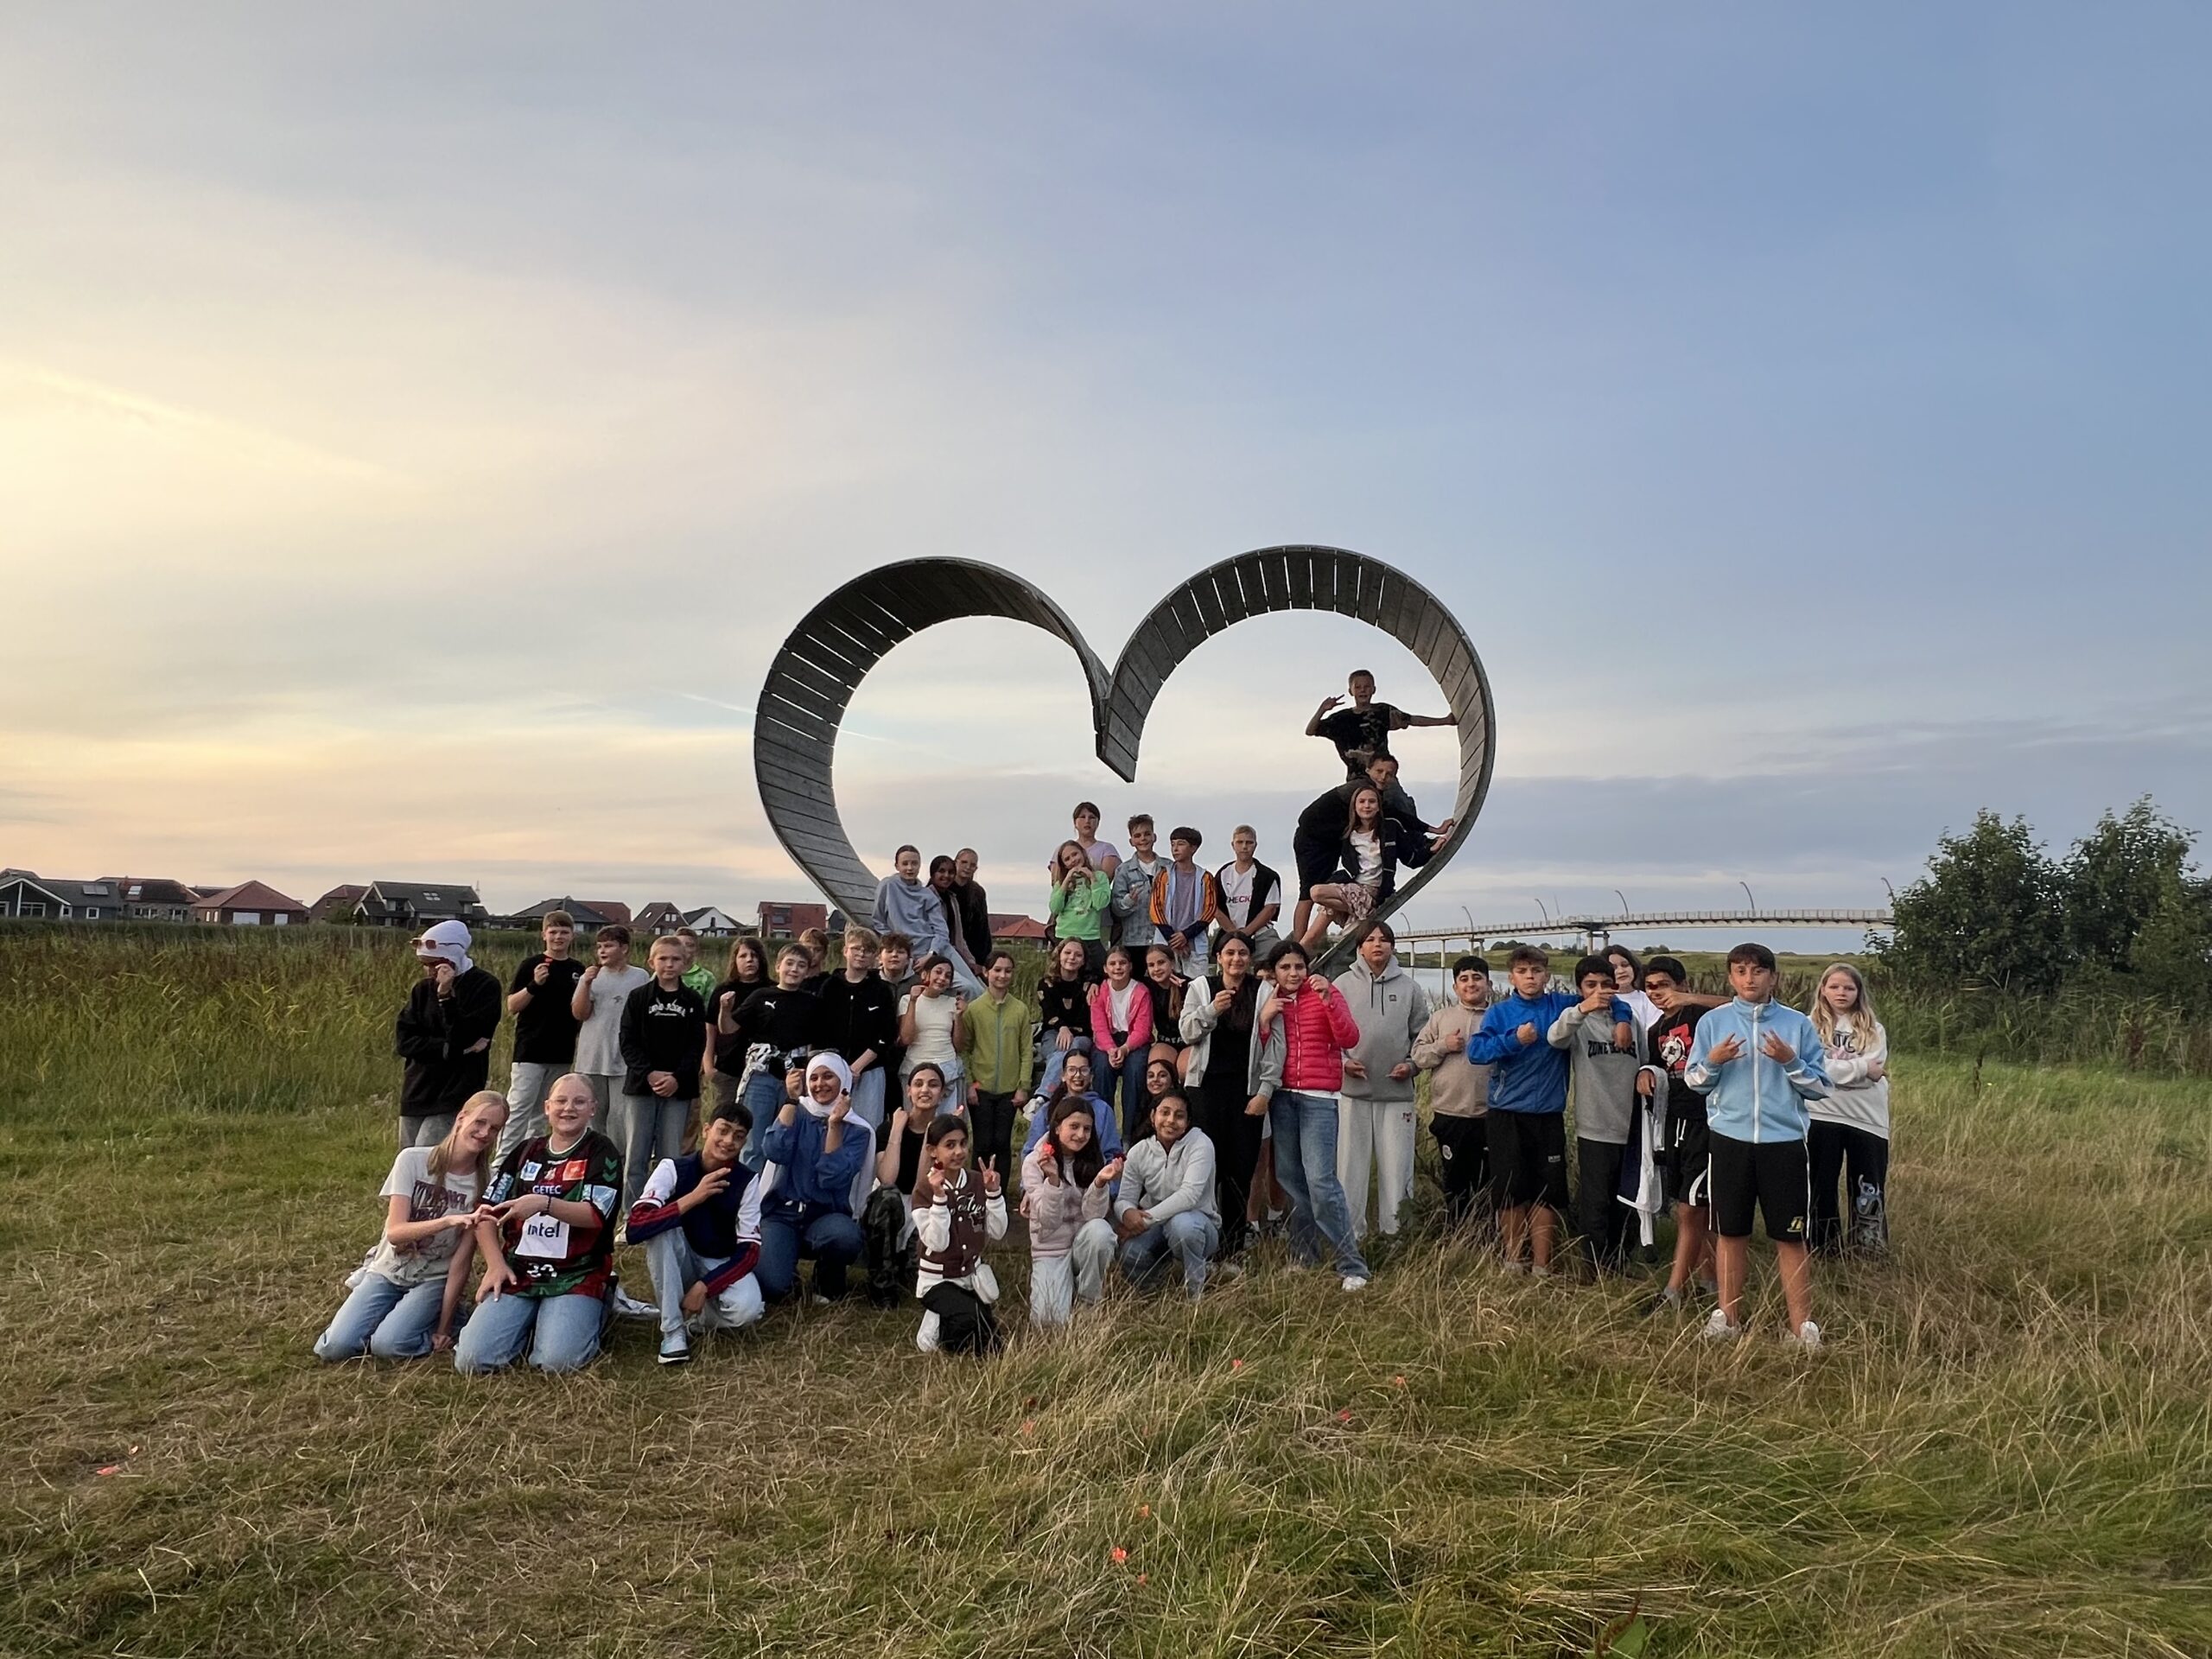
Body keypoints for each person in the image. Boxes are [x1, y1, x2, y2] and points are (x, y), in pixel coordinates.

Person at [1684, 944, 1833, 1347]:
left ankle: (1801, 1328)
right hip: (1730, 1140)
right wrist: (1713, 1061)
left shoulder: (1797, 1024)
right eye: (1740, 971)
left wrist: (1790, 1061)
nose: (1750, 979)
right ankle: (1727, 1318)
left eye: (1758, 971)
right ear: (1730, 978)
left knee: (1790, 1235)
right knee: (1731, 1231)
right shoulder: (1713, 1023)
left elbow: (1821, 1088)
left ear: (1774, 977)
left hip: (1783, 1142)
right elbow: (1694, 1082)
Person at [1466, 945, 1632, 1277]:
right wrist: (1514, 1039)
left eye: (1537, 971)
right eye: (1523, 971)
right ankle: (1514, 1261)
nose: (1531, 977)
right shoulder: (1499, 1012)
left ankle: (1543, 1265)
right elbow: (1476, 1052)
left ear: (1547, 975)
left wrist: (1624, 1019)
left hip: (1548, 1114)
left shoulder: (1562, 1004)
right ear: (1511, 976)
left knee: (1548, 1192)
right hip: (1507, 1113)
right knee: (1511, 1191)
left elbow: (1609, 999)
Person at [315, 1090, 507, 1361]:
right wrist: (448, 1220)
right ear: (461, 1118)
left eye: (494, 1128)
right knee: (335, 1348)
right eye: (480, 1122)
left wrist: (442, 1329)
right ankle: (388, 1311)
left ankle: (445, 1317)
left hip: (433, 1279)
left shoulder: (485, 1183)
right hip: (388, 1270)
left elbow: (461, 1261)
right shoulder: (413, 1160)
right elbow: (395, 1233)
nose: (485, 1132)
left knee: (388, 1345)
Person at [453, 1072, 623, 1375]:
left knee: (557, 1364)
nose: (568, 1108)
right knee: (471, 1361)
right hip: (520, 1272)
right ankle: (533, 1321)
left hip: (577, 1273)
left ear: (593, 1109)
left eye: (579, 1102)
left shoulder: (602, 1151)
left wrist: (545, 1205)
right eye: (561, 1101)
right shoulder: (525, 1152)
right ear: (547, 1107)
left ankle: (597, 1304)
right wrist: (495, 1264)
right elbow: (485, 1214)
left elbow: (596, 1214)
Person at [1258, 941, 1370, 1292]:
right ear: (1274, 971)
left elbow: (1349, 1036)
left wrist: (1327, 1001)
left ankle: (1352, 1264)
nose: (1293, 974)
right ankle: (1304, 1256)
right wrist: (1264, 1020)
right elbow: (1260, 1050)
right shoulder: (1270, 1000)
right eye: (1285, 967)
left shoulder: (1325, 992)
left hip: (1319, 1099)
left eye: (1299, 967)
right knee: (1292, 1181)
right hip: (1282, 1097)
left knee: (1322, 1182)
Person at [622, 1100, 765, 1365]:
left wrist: (705, 1287)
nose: (728, 1141)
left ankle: (691, 1316)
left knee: (748, 1311)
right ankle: (673, 1331)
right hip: (680, 1258)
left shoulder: (747, 1180)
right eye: (722, 1130)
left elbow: (750, 1252)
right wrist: (693, 1198)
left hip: (717, 1260)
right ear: (706, 1130)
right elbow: (635, 1228)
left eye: (738, 1136)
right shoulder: (672, 1168)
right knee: (661, 1231)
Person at [1178, 931, 1282, 1260]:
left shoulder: (1263, 991)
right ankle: (1204, 1241)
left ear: (1250, 958)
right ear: (1218, 957)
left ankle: (1234, 1246)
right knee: (1208, 1167)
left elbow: (1276, 1046)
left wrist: (1265, 1090)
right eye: (1229, 953)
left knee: (1241, 1168)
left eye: (1242, 953)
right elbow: (1186, 1032)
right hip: (1205, 1090)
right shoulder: (1200, 988)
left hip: (1246, 1092)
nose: (1236, 959)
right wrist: (1211, 1011)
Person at [1548, 955, 1647, 1274]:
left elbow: (1645, 1059)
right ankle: (1592, 1266)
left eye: (1606, 984)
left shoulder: (1629, 1019)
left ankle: (1620, 1260)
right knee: (1596, 1202)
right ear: (1580, 988)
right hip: (1594, 1127)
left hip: (1631, 1125)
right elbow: (1555, 1037)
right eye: (1591, 985)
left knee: (1627, 1199)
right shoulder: (1576, 1018)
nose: (1600, 991)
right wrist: (1583, 1008)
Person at [1337, 923, 1434, 1241]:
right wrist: (1342, 1063)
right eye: (1370, 939)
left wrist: (1411, 1065)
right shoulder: (1341, 985)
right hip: (1352, 1092)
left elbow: (1422, 1036)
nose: (1378, 945)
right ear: (1360, 947)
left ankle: (1395, 1236)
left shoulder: (1410, 988)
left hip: (1396, 1095)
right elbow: (1328, 1036)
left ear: (1392, 947)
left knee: (1397, 1169)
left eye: (1385, 940)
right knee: (1350, 1168)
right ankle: (1352, 1235)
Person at [1288, 756, 1448, 944]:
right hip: (1313, 839)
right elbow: (1396, 814)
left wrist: (1432, 835)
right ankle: (1297, 947)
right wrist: (1432, 829)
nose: (1383, 777)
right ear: (1368, 770)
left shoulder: (1374, 814)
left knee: (1318, 895)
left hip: (1333, 840)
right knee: (1308, 892)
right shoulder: (1359, 790)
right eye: (1379, 771)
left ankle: (1348, 914)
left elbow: (1398, 822)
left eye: (1390, 774)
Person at [754, 1053, 873, 1304]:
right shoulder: (796, 1113)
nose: (820, 1084)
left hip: (825, 1217)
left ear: (843, 1082)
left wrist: (835, 1125)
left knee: (846, 1237)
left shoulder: (858, 1129)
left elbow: (832, 1178)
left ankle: (827, 1276)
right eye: (814, 1078)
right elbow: (774, 1151)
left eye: (828, 1076)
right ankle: (786, 1266)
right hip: (782, 1215)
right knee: (772, 1287)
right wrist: (790, 1099)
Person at [1641, 955, 1718, 1312]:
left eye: (1664, 985)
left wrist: (1691, 999)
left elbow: (1742, 1005)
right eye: (1650, 987)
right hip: (1674, 1121)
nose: (1657, 993)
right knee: (1690, 1205)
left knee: (1692, 1206)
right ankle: (1710, 1280)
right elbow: (1658, 1068)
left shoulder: (1701, 1014)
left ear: (1682, 984)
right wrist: (1645, 1073)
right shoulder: (1655, 1031)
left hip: (1708, 1120)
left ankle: (1673, 1291)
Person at [613, 937, 713, 1211]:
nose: (669, 964)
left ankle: (667, 1210)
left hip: (678, 1088)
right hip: (641, 1086)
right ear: (651, 962)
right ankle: (633, 1212)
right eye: (663, 959)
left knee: (671, 1156)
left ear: (685, 963)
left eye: (675, 959)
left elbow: (697, 1045)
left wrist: (676, 1078)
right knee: (637, 1154)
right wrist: (648, 1074)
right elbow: (627, 1041)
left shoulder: (692, 1001)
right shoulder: (638, 998)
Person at [1805, 963, 1891, 1256]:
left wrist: (1833, 1074)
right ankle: (1823, 1247)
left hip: (1867, 1118)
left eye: (1849, 987)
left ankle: (1868, 1249)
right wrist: (1862, 1068)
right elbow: (1810, 1069)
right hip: (1820, 1114)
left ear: (1859, 992)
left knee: (1868, 1185)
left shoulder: (1873, 1029)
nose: (1842, 992)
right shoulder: (1807, 1026)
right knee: (1820, 1183)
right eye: (1835, 986)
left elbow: (1874, 1072)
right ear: (1823, 990)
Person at [394, 920, 501, 1148]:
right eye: (425, 964)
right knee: (406, 1157)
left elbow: (466, 1036)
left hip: (455, 1090)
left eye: (435, 964)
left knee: (428, 1156)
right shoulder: (422, 990)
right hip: (418, 1087)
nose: (430, 971)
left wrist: (446, 999)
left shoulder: (485, 986)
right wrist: (445, 1049)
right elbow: (404, 1041)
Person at [1021, 1097, 1123, 1328]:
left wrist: (1099, 1183)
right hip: (1050, 1249)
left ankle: (1088, 1300)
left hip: (1081, 1243)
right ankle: (1064, 1288)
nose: (1081, 1135)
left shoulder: (1093, 1158)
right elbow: (1049, 1220)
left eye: (1087, 1129)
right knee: (1048, 1322)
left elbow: (1093, 1218)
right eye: (1074, 1127)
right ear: (1058, 1128)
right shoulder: (1033, 1163)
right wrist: (1054, 1181)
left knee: (1101, 1232)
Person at [861, 1061, 957, 1306]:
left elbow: (922, 1188)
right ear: (909, 1091)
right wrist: (896, 1131)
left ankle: (908, 1266)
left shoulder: (947, 1134)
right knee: (888, 1195)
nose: (925, 1090)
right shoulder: (889, 1128)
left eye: (933, 1085)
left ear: (943, 1092)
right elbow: (887, 1179)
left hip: (921, 1202)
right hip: (891, 1206)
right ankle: (882, 1283)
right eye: (918, 1084)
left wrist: (932, 1135)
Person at [912, 1115, 1008, 1354]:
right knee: (972, 1321)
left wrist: (994, 1194)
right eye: (950, 1145)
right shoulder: (924, 1189)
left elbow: (997, 1232)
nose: (958, 1152)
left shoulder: (976, 1181)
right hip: (937, 1281)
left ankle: (948, 1320)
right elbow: (937, 1242)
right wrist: (939, 1199)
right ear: (932, 1151)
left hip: (970, 1276)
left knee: (992, 1336)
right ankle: (934, 1328)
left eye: (963, 1143)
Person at [721, 944, 823, 1169]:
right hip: (762, 1074)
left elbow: (819, 1043)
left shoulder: (812, 1003)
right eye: (789, 963)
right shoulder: (761, 996)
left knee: (789, 1138)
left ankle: (781, 1194)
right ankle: (749, 1198)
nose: (794, 970)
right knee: (754, 1141)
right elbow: (728, 1028)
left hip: (795, 1076)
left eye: (801, 965)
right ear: (778, 966)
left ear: (807, 972)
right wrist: (725, 1010)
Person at [1412, 957, 1493, 1232]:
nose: (1471, 983)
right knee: (1455, 1182)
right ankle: (1455, 1234)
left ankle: (1485, 1236)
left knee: (1487, 1182)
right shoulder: (1441, 1018)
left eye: (1477, 977)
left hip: (1489, 1116)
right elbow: (1419, 1057)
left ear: (1489, 984)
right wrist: (1443, 1046)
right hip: (1450, 1116)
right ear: (1455, 987)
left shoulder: (1499, 1018)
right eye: (1464, 979)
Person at [1114, 1093, 1222, 1300]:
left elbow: (1189, 1196)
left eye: (1179, 1116)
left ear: (1187, 1122)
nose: (1171, 1120)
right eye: (1165, 1113)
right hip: (1156, 1227)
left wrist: (1144, 1221)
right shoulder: (1139, 1151)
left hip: (1200, 1223)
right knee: (1129, 1253)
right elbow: (1125, 1197)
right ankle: (1154, 1295)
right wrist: (1127, 1214)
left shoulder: (1200, 1144)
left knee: (1183, 1225)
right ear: (1153, 1116)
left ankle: (1195, 1297)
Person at [499, 911, 588, 1160]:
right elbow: (512, 1006)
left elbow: (581, 1010)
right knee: (519, 1110)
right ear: (544, 934)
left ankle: (530, 1161)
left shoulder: (577, 969)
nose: (558, 937)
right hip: (530, 1051)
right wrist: (533, 985)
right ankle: (502, 1165)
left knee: (545, 1112)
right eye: (553, 932)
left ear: (572, 936)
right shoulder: (531, 965)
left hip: (561, 1052)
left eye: (564, 932)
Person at [814, 925, 899, 1131]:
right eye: (856, 948)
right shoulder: (830, 987)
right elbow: (819, 1029)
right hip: (833, 1071)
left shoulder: (882, 991)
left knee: (866, 1129)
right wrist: (837, 1067)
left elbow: (887, 1033)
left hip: (869, 1071)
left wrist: (857, 1067)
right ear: (845, 951)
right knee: (830, 1128)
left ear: (874, 956)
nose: (861, 954)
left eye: (868, 950)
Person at [959, 949, 1033, 1179]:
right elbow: (965, 1050)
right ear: (986, 972)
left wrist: (1024, 1085)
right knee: (981, 1142)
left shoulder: (1020, 1009)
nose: (1002, 975)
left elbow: (1026, 1050)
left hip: (1009, 1089)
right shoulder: (974, 1009)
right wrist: (970, 1083)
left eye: (1008, 971)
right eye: (997, 970)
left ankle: (997, 1195)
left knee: (1002, 1142)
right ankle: (976, 1192)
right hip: (981, 1088)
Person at [1305, 668, 1455, 779]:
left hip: (1384, 774)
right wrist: (1322, 709)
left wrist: (1444, 721)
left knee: (1400, 803)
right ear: (1350, 691)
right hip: (1356, 778)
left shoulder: (1382, 711)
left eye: (1367, 686)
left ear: (1373, 689)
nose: (1363, 690)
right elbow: (1310, 731)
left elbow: (1412, 720)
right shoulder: (1340, 719)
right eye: (1358, 687)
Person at [875, 845, 979, 995]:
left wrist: (931, 954)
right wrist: (895, 944)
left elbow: (942, 930)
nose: (910, 868)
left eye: (914, 863)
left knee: (977, 990)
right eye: (905, 864)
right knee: (966, 988)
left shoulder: (927, 895)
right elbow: (878, 921)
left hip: (937, 949)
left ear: (919, 865)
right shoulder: (888, 886)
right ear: (897, 865)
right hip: (913, 954)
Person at [569, 925, 648, 1122]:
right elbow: (580, 1013)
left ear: (624, 948)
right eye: (599, 947)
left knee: (620, 1115)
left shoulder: (640, 977)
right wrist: (586, 984)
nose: (602, 951)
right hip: (593, 1056)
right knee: (592, 1114)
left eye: (608, 946)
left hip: (623, 1057)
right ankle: (593, 1152)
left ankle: (617, 1153)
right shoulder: (591, 976)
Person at [1090, 946, 1154, 1141]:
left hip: (1133, 1042)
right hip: (1108, 1040)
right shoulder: (1099, 992)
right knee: (1101, 1068)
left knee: (1135, 1071)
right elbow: (1098, 1027)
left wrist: (1125, 1049)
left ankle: (1129, 1134)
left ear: (1130, 966)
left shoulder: (1141, 992)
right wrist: (1111, 1050)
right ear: (1105, 968)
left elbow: (1143, 1030)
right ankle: (1102, 1130)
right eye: (1113, 963)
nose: (1118, 967)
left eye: (1122, 963)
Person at [1019, 1048, 1126, 1165]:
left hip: (1092, 1178)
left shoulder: (1103, 1110)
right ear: (1063, 1076)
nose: (1078, 1075)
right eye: (1072, 1070)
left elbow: (1112, 1153)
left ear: (1091, 1077)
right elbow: (1030, 1152)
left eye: (1084, 1070)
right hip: (1052, 1177)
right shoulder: (1047, 1110)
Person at [706, 937, 772, 1114]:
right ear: (735, 960)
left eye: (754, 955)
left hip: (763, 1070)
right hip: (729, 1068)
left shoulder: (772, 990)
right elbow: (711, 1029)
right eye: (743, 956)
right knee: (725, 1118)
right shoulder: (723, 991)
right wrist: (708, 1066)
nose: (749, 960)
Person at [1149, 826, 1224, 978]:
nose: (1175, 849)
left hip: (1194, 943)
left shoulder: (1206, 878)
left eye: (1181, 844)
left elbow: (1209, 910)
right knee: (1167, 985)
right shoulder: (1163, 875)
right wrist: (1174, 939)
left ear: (1193, 848)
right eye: (1173, 844)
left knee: (1197, 987)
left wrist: (1186, 936)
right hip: (1166, 941)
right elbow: (1155, 908)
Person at [899, 953, 969, 1109]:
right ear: (925, 974)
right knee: (916, 1122)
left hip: (947, 1068)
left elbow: (959, 1046)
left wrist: (959, 1016)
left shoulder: (952, 1003)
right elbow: (906, 1039)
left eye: (948, 976)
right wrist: (913, 1001)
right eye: (938, 972)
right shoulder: (907, 1000)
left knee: (946, 1125)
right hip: (915, 1066)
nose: (942, 978)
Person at [1035, 937, 1096, 1094]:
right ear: (1059, 955)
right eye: (1067, 953)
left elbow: (1086, 1019)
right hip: (1053, 1032)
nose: (1072, 957)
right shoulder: (1046, 983)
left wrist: (1070, 1031)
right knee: (1058, 1055)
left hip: (1081, 1035)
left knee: (1072, 1052)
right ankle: (1051, 1098)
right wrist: (1062, 1027)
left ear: (1083, 961)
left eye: (1078, 955)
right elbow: (1049, 1012)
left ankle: (1043, 1096)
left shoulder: (1088, 986)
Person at [1215, 826, 1283, 962]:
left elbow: (1270, 908)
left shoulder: (1268, 876)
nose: (1244, 847)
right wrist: (1233, 933)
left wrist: (1246, 932)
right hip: (1230, 934)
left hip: (1262, 935)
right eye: (1240, 842)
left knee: (1279, 958)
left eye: (1249, 842)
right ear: (1233, 845)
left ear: (1255, 845)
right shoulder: (1222, 874)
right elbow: (1214, 908)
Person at [1047, 841, 1114, 974]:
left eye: (1075, 854)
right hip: (1065, 936)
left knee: (1098, 974)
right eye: (1067, 859)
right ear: (1063, 864)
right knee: (1061, 976)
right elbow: (1055, 908)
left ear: (1083, 853)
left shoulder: (1100, 877)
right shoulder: (1061, 882)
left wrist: (1092, 878)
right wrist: (1066, 882)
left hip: (1090, 936)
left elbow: (1101, 904)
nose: (1073, 860)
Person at [926, 855, 986, 988]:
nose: (946, 876)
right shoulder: (925, 897)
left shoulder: (952, 898)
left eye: (950, 872)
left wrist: (971, 961)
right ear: (933, 873)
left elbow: (959, 935)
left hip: (954, 951)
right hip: (936, 952)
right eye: (941, 871)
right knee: (971, 989)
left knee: (983, 990)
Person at [1109, 815, 1166, 951]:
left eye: (1147, 834)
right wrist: (1128, 902)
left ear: (1154, 837)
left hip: (1164, 938)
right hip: (1134, 940)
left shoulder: (1169, 868)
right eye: (1137, 836)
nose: (1143, 839)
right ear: (1131, 841)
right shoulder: (1123, 871)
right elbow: (1115, 908)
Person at [1141, 944, 1190, 1080]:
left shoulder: (1189, 985)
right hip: (1165, 1040)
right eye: (1151, 965)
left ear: (1172, 963)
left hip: (1189, 1042)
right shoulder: (1147, 987)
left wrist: (1184, 991)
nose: (1156, 969)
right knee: (1158, 1072)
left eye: (1161, 963)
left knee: (1184, 1070)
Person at [1049, 801, 1122, 888]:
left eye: (1092, 817)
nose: (1087, 821)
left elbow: (1104, 882)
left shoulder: (1108, 849)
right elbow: (1056, 883)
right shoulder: (1061, 850)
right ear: (1075, 823)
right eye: (1082, 817)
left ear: (1098, 822)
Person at [950, 849, 993, 974]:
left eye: (972, 865)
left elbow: (983, 928)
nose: (968, 867)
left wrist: (983, 960)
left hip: (974, 950)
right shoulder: (945, 888)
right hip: (951, 948)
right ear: (955, 863)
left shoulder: (977, 892)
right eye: (964, 862)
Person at [675, 927, 718, 1001]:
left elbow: (710, 1008)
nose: (684, 949)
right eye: (679, 945)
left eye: (689, 945)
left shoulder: (708, 978)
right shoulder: (662, 973)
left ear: (696, 949)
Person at [793, 926, 834, 994]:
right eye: (807, 948)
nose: (812, 953)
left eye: (817, 950)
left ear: (824, 953)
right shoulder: (792, 979)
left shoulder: (831, 983)